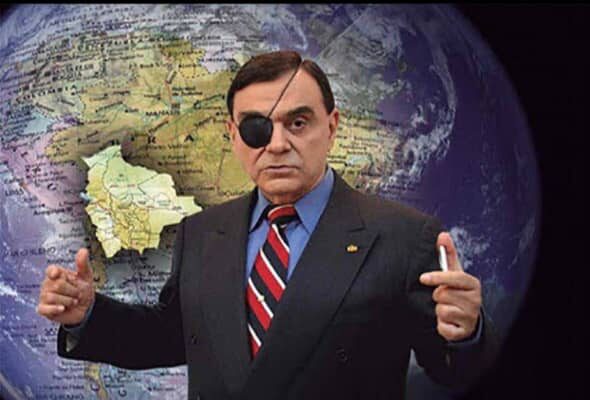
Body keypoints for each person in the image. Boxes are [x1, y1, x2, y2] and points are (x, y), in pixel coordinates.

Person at [37, 50, 498, 400]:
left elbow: (452, 371)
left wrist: (468, 333)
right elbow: (174, 338)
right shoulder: (202, 232)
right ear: (233, 135)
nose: (276, 145)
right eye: (257, 128)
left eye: (297, 123)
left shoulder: (403, 236)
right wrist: (89, 315)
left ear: (332, 126)